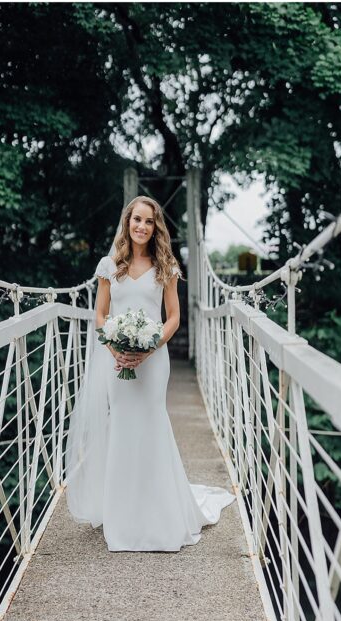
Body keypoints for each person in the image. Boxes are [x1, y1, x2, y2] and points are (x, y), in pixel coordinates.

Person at [65, 195, 235, 552]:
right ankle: (123, 518)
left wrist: (148, 348)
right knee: (124, 428)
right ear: (127, 223)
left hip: (154, 360)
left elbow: (173, 317)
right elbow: (99, 316)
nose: (142, 226)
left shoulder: (166, 266)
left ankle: (160, 516)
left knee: (152, 425)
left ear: (157, 227)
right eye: (136, 219)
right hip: (116, 361)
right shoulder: (109, 265)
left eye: (149, 221)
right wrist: (116, 348)